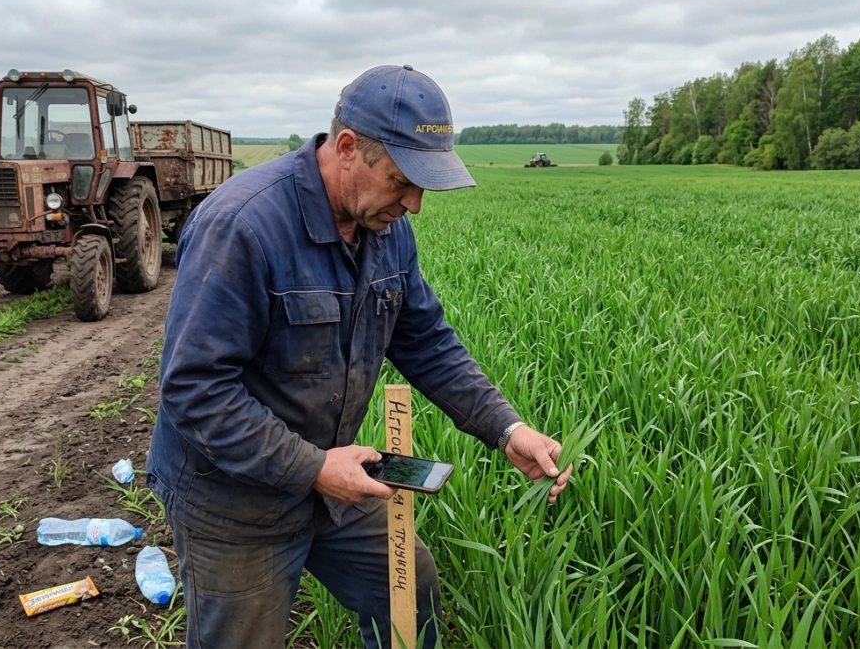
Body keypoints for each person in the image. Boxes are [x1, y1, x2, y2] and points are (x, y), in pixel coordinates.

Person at [146, 64, 573, 649]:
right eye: (403, 180)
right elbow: (194, 389)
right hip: (233, 500)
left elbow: (425, 340)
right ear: (347, 148)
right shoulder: (243, 226)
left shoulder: (385, 228)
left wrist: (508, 428)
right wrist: (316, 468)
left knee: (407, 588)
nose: (416, 204)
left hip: (331, 480)